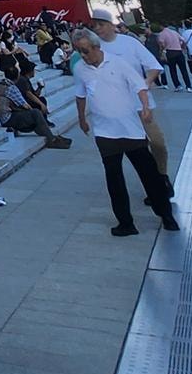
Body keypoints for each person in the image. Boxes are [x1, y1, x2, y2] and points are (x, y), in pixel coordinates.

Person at [71, 28, 178, 237]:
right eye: (79, 51)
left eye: (85, 51)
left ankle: (166, 215)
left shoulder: (118, 63)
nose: (83, 56)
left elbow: (139, 86)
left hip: (131, 130)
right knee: (114, 179)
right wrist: (82, 118)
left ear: (96, 47)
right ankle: (125, 222)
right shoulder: (80, 69)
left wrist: (146, 107)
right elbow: (80, 94)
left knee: (150, 175)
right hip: (104, 133)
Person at [80, 7, 170, 190]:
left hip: (140, 104)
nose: (98, 29)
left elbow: (153, 66)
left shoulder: (130, 43)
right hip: (115, 109)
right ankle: (153, 188)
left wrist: (144, 83)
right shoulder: (94, 49)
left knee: (157, 142)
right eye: (94, 25)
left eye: (101, 24)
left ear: (112, 25)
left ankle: (162, 175)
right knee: (135, 152)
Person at [156, 22, 191, 90]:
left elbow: (162, 45)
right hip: (179, 51)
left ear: (161, 26)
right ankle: (188, 86)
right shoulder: (174, 32)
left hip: (170, 53)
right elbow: (183, 40)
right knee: (184, 70)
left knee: (173, 70)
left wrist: (162, 51)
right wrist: (183, 47)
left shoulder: (161, 34)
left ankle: (178, 85)